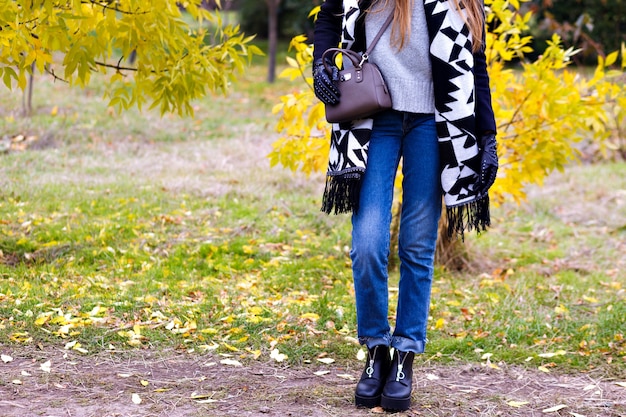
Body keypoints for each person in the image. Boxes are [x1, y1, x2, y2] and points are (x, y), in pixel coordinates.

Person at [312, 0, 498, 411]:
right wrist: (319, 65)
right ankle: (376, 349)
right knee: (368, 244)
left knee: (416, 245)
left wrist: (487, 135)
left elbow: (475, 65)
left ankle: (405, 356)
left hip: (434, 123)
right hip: (373, 115)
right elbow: (329, 14)